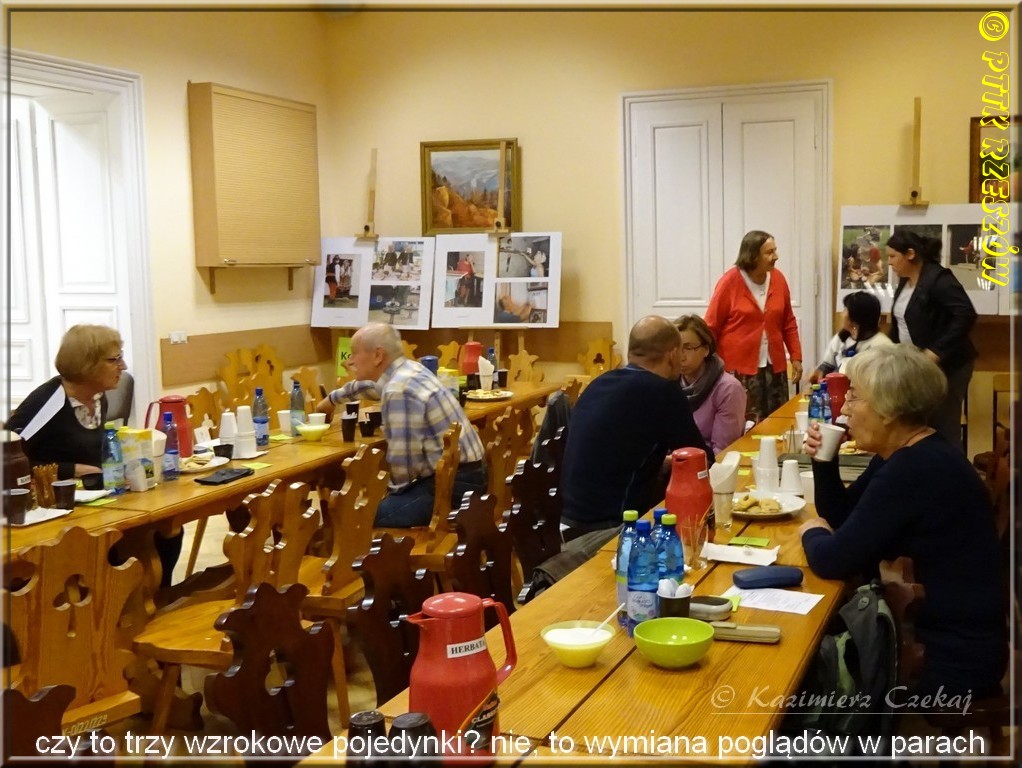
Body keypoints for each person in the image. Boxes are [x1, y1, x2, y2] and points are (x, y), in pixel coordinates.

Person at [798, 345, 1006, 699]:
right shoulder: (908, 453)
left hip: (949, 655)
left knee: (806, 667)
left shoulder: (914, 469)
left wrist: (812, 530)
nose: (844, 409)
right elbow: (843, 517)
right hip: (946, 635)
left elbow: (833, 559)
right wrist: (824, 459)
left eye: (853, 396)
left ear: (889, 409)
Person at [5, 325, 183, 586]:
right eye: (114, 359)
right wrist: (72, 469)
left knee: (166, 527)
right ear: (86, 365)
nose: (123, 366)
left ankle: (156, 595)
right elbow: (9, 461)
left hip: (95, 498)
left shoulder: (99, 398)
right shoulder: (48, 401)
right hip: (52, 507)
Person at [316, 323, 487, 527]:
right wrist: (331, 400)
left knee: (358, 517)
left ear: (378, 355)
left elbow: (404, 468)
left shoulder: (398, 390)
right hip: (471, 475)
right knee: (364, 507)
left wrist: (386, 497)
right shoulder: (410, 370)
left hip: (455, 487)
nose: (349, 361)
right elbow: (370, 387)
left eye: (354, 353)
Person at [560, 316, 711, 534]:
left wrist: (662, 462)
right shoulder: (663, 392)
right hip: (611, 528)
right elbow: (699, 461)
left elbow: (614, 454)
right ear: (672, 355)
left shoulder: (600, 383)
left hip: (566, 521)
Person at [886, 230, 976, 451]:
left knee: (943, 425)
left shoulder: (939, 279)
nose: (889, 262)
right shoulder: (905, 282)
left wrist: (935, 352)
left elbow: (965, 315)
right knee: (919, 425)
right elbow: (900, 323)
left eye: (892, 256)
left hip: (949, 365)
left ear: (910, 254)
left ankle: (952, 471)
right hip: (917, 366)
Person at [705, 230, 802, 421]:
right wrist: (706, 364)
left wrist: (796, 356)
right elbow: (711, 325)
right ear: (752, 255)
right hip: (739, 368)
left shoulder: (778, 279)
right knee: (746, 420)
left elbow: (788, 322)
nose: (776, 256)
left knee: (777, 418)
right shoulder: (729, 281)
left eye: (775, 250)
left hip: (774, 366)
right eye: (769, 252)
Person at [673, 315, 746, 455]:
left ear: (706, 349)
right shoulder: (669, 384)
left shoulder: (728, 389)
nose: (681, 357)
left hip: (710, 463)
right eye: (676, 349)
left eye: (688, 348)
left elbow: (722, 452)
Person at [809, 291, 892, 383]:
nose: (842, 314)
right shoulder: (841, 338)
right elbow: (827, 365)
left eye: (845, 310)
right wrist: (819, 373)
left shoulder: (883, 346)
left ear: (855, 317)